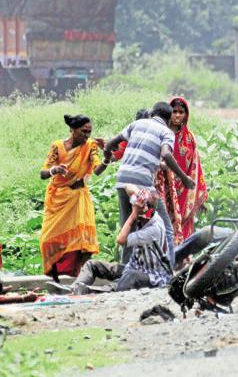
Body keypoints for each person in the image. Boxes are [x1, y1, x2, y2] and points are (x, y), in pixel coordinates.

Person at [103, 102, 196, 264]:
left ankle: (125, 270)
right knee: (167, 226)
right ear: (168, 119)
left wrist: (106, 157)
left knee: (128, 225)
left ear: (152, 113)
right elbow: (166, 154)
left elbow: (110, 144)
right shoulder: (166, 132)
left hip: (122, 180)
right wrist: (184, 178)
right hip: (142, 184)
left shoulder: (137, 124)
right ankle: (170, 267)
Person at [48, 187, 172, 294]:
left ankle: (92, 291)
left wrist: (134, 214)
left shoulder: (154, 229)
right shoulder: (148, 215)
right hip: (134, 267)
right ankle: (75, 288)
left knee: (129, 277)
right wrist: (138, 195)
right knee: (93, 265)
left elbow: (120, 240)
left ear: (145, 211)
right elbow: (128, 186)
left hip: (152, 276)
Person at [39, 114, 109, 279]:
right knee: (48, 239)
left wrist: (107, 158)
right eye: (84, 131)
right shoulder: (57, 146)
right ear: (72, 129)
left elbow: (97, 169)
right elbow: (43, 173)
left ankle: (79, 277)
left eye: (89, 132)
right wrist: (53, 170)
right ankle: (54, 275)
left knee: (81, 241)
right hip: (58, 198)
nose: (87, 135)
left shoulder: (90, 146)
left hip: (79, 199)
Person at [168, 97, 208, 241]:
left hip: (185, 191)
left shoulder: (190, 138)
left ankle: (184, 261)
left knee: (184, 231)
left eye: (181, 112)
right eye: (174, 111)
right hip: (165, 188)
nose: (177, 115)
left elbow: (196, 167)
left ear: (186, 114)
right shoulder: (163, 134)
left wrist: (199, 198)